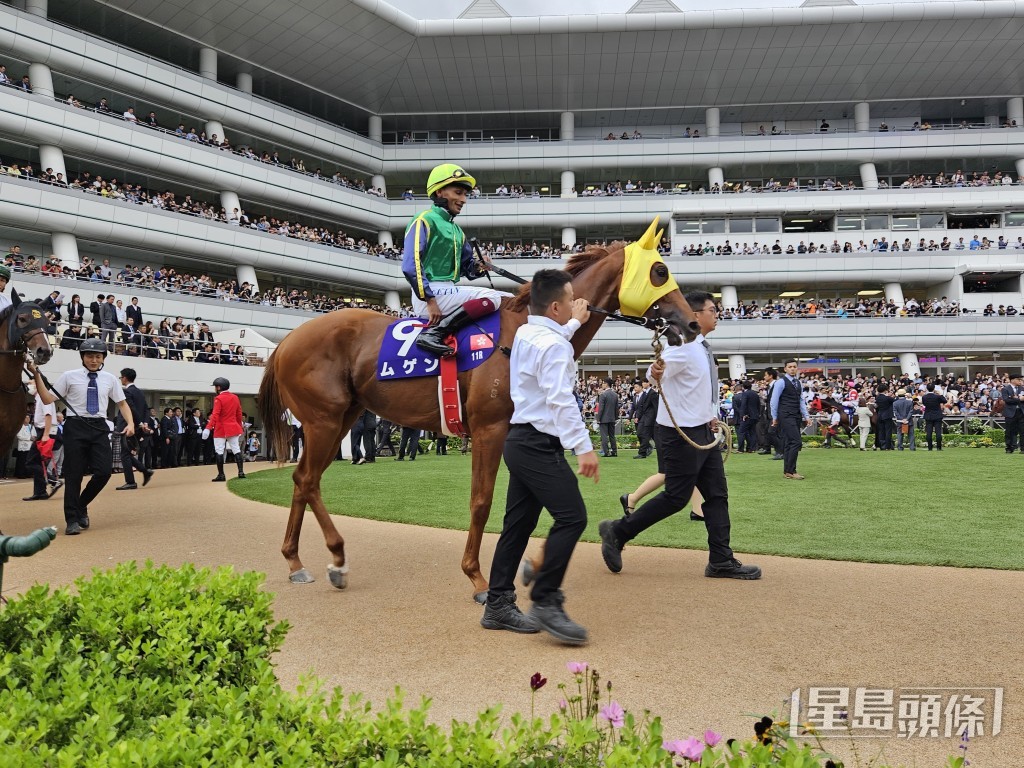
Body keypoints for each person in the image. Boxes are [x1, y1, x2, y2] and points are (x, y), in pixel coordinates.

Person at [598, 291, 761, 580]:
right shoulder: (683, 345)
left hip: (703, 430)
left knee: (717, 495)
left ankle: (721, 560)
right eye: (712, 310)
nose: (717, 314)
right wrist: (656, 371)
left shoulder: (701, 347)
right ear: (695, 315)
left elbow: (697, 388)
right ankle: (618, 531)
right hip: (679, 433)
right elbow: (655, 374)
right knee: (676, 497)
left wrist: (710, 414)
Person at [481, 269, 597, 645]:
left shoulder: (527, 333)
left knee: (517, 526)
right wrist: (583, 446)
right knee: (572, 517)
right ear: (555, 307)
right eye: (570, 300)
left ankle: (498, 605)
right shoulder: (553, 344)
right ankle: (546, 599)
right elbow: (560, 398)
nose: (575, 305)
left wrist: (574, 324)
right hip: (537, 445)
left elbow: (552, 342)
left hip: (520, 442)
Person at [28, 338, 134, 536]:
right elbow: (48, 398)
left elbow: (122, 403)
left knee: (104, 472)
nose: (93, 360)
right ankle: (71, 520)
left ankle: (80, 505)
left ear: (103, 358)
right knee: (73, 475)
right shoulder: (69, 376)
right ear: (82, 357)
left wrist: (131, 423)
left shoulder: (110, 379)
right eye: (89, 356)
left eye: (98, 357)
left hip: (99, 426)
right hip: (75, 427)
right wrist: (36, 374)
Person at [401, 163, 507, 357]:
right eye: (458, 193)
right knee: (493, 297)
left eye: (465, 195)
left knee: (509, 299)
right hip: (430, 295)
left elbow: (467, 269)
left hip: (448, 291)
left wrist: (480, 266)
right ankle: (434, 334)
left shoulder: (457, 231)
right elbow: (410, 265)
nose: (463, 200)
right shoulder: (423, 219)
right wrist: (430, 300)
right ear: (440, 192)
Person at [114, 368, 154, 490]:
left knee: (124, 454)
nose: (120, 379)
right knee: (126, 453)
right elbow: (146, 409)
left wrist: (140, 423)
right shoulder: (140, 392)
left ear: (125, 378)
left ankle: (131, 481)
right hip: (136, 426)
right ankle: (145, 471)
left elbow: (131, 409)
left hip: (128, 426)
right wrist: (144, 422)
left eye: (121, 377)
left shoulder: (126, 392)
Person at [770, 359, 811, 479]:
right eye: (790, 367)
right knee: (796, 442)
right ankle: (792, 471)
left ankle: (787, 471)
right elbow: (774, 401)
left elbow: (801, 401)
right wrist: (774, 417)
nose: (792, 369)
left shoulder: (798, 383)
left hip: (796, 415)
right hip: (785, 415)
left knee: (789, 443)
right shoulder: (780, 382)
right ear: (785, 369)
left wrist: (806, 416)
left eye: (794, 366)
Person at [21, 384, 61, 501]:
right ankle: (40, 491)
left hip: (45, 431)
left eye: (32, 381)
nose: (29, 385)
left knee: (31, 461)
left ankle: (53, 480)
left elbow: (48, 415)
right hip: (43, 431)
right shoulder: (40, 397)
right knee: (38, 461)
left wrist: (46, 434)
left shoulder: (44, 397)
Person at [204, 377, 245, 481]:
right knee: (236, 449)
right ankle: (241, 472)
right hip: (233, 427)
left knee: (219, 451)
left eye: (215, 387)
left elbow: (215, 415)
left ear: (219, 387)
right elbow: (239, 414)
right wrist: (239, 427)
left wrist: (208, 427)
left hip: (221, 428)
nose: (215, 389)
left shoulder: (218, 399)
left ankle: (221, 475)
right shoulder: (235, 397)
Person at [734, 380, 760, 452]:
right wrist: (758, 414)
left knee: (741, 431)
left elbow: (744, 405)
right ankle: (752, 448)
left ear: (743, 387)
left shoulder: (745, 394)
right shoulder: (755, 394)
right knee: (752, 432)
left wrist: (743, 415)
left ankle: (741, 449)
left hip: (747, 416)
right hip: (755, 415)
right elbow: (758, 405)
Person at [634, 378, 657, 458]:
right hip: (643, 417)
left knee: (646, 435)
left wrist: (656, 419)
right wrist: (637, 416)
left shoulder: (653, 393)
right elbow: (641, 406)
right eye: (643, 382)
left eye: (645, 382)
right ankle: (648, 448)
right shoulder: (644, 393)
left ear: (649, 383)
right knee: (639, 433)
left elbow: (656, 407)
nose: (643, 384)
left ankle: (642, 453)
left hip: (650, 418)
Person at [596, 377, 619, 457]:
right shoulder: (615, 395)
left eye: (603, 383)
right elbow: (616, 408)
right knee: (612, 435)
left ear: (606, 384)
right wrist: (616, 418)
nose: (602, 385)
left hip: (604, 418)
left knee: (604, 436)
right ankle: (614, 451)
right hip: (612, 418)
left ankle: (606, 452)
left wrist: (598, 418)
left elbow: (601, 408)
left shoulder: (603, 395)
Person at [1001, 373, 1024, 453]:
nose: (1020, 381)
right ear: (1013, 380)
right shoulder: (1005, 389)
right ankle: (1009, 448)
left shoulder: (1022, 388)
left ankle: (1023, 448)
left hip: (1021, 412)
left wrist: (1015, 398)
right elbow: (1007, 400)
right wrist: (1019, 399)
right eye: (1019, 380)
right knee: (1010, 431)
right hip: (1010, 412)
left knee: (1022, 431)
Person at [921, 383, 947, 450]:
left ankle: (930, 447)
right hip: (937, 415)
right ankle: (939, 447)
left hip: (928, 415)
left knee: (929, 432)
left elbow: (924, 404)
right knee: (938, 432)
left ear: (927, 388)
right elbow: (945, 400)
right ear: (934, 388)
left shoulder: (924, 397)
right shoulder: (937, 396)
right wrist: (940, 394)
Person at [875, 384, 896, 450]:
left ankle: (882, 446)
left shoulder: (877, 397)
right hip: (887, 415)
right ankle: (888, 446)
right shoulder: (887, 398)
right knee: (888, 431)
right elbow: (894, 401)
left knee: (881, 431)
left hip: (880, 415)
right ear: (885, 390)